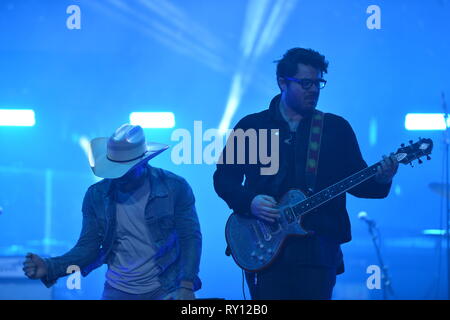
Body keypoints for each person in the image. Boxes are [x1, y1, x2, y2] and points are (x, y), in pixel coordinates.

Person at [213, 47, 398, 300]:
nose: (314, 90)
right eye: (306, 83)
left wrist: (382, 178)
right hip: (264, 246)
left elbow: (359, 184)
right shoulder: (252, 126)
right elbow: (224, 179)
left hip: (318, 249)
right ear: (282, 82)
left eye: (318, 83)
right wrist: (250, 202)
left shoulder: (335, 128)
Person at [23, 124, 202, 300]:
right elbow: (87, 248)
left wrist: (186, 285)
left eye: (127, 170)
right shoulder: (97, 196)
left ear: (143, 162)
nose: (120, 176)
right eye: (115, 169)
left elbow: (190, 237)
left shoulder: (174, 187)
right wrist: (50, 266)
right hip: (118, 289)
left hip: (165, 288)